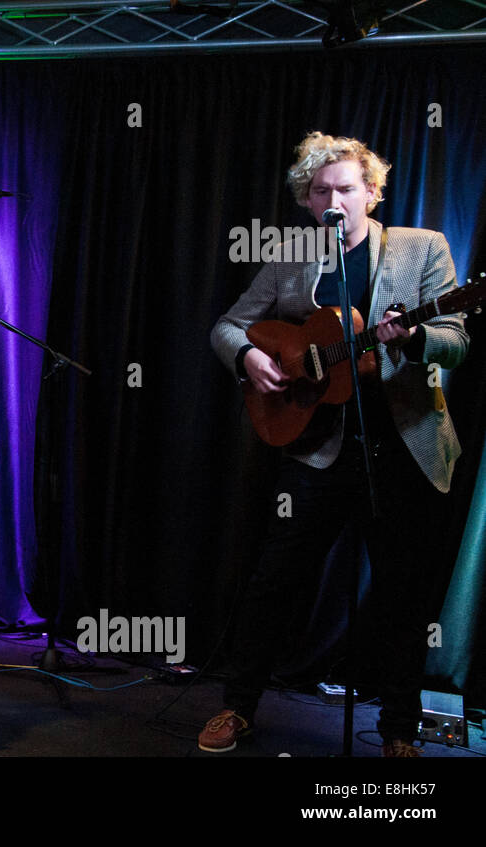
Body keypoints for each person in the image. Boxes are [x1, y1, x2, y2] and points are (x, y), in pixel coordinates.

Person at [206, 131, 469, 757]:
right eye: (321, 190)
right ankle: (237, 707)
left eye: (347, 189)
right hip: (318, 449)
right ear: (306, 199)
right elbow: (227, 325)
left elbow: (456, 339)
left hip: (403, 448)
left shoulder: (421, 248)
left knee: (404, 596)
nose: (335, 200)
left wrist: (414, 340)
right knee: (274, 583)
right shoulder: (293, 258)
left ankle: (400, 728)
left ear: (371, 193)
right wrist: (248, 357)